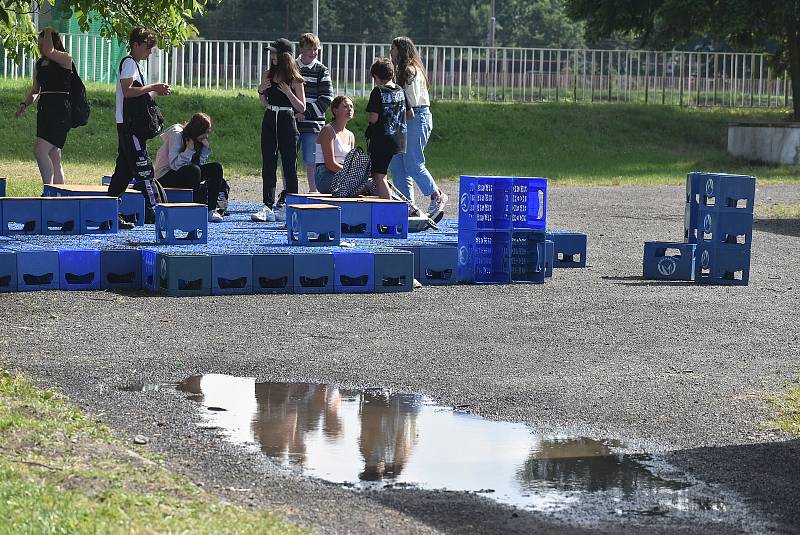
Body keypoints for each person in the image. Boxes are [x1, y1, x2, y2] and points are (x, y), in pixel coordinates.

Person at [107, 26, 171, 230]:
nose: (150, 52)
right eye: (147, 47)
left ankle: (107, 214)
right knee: (143, 169)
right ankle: (157, 211)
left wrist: (155, 92)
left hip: (130, 125)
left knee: (123, 173)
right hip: (130, 126)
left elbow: (138, 95)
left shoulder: (135, 65)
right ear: (136, 45)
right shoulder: (129, 63)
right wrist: (153, 87)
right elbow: (127, 91)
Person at [390, 36, 448, 219]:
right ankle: (407, 207)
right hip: (402, 119)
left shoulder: (410, 71)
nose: (390, 52)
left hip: (416, 117)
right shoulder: (401, 71)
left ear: (401, 50)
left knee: (413, 162)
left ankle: (436, 195)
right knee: (398, 165)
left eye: (393, 48)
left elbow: (411, 105)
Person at [252, 38, 306, 223]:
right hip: (270, 118)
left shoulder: (295, 78)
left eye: (276, 53)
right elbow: (264, 102)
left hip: (286, 119)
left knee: (289, 165)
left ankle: (290, 204)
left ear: (285, 55)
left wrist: (288, 93)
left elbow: (301, 107)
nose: (272, 56)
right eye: (272, 53)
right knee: (268, 162)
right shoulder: (268, 74)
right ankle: (267, 205)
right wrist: (260, 91)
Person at [15, 28, 73, 185]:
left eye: (43, 44)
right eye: (39, 44)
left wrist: (48, 30)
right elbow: (35, 90)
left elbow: (49, 50)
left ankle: (48, 190)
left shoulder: (65, 59)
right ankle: (61, 196)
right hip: (45, 110)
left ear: (52, 42)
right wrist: (24, 104)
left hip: (60, 110)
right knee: (54, 155)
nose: (40, 48)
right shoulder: (40, 64)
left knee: (39, 150)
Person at [154, 113, 226, 223]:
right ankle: (195, 208)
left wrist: (205, 149)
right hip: (164, 176)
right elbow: (175, 165)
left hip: (186, 173)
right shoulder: (177, 134)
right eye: (205, 132)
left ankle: (211, 210)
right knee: (194, 170)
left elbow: (199, 163)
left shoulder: (197, 140)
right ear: (196, 131)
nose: (206, 136)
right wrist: (189, 150)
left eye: (208, 132)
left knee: (216, 168)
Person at [365, 57, 412, 200]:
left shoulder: (378, 91)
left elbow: (373, 118)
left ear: (377, 76)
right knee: (384, 173)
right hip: (400, 140)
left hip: (382, 140)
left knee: (379, 176)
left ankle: (388, 210)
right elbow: (410, 114)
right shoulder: (400, 90)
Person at [294, 33, 334, 194]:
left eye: (316, 49)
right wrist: (294, 113)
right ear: (301, 48)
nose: (313, 52)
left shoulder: (321, 70)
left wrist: (306, 113)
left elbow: (326, 98)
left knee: (312, 159)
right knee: (288, 159)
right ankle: (289, 191)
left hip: (313, 124)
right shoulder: (292, 68)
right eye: (310, 48)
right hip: (292, 122)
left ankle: (313, 190)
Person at [314, 96, 355, 194]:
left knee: (373, 184)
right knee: (364, 185)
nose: (349, 109)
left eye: (351, 106)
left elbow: (350, 163)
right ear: (335, 110)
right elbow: (330, 164)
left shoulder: (351, 135)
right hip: (325, 175)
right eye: (345, 106)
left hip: (343, 174)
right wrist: (352, 174)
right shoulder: (328, 130)